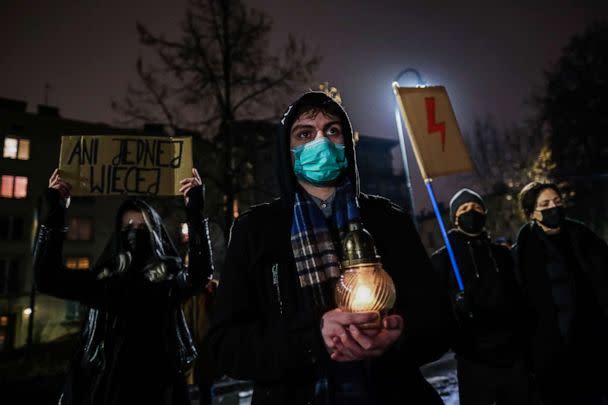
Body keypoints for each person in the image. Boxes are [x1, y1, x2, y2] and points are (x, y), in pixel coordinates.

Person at [207, 92, 450, 404]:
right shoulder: (255, 231)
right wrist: (313, 337)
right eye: (305, 133)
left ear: (346, 144)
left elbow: (439, 321)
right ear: (288, 150)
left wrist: (399, 335)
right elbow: (225, 346)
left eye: (332, 130)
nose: (321, 140)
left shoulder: (389, 221)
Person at [33, 167, 214, 405]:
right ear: (118, 236)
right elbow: (46, 278)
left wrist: (195, 212)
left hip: (157, 391)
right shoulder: (102, 282)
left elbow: (200, 274)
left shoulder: (169, 281)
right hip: (103, 390)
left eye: (142, 229)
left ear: (155, 236)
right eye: (128, 228)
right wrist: (57, 213)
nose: (135, 235)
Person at [431, 188, 530, 405]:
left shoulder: (501, 254)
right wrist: (454, 303)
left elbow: (517, 293)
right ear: (455, 218)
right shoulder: (444, 260)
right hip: (473, 357)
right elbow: (435, 303)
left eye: (477, 208)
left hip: (511, 353)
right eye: (465, 209)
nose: (472, 212)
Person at [514, 181, 608, 404]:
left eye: (557, 201)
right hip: (555, 351)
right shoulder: (523, 252)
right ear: (531, 213)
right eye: (544, 204)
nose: (553, 208)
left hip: (595, 341)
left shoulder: (582, 236)